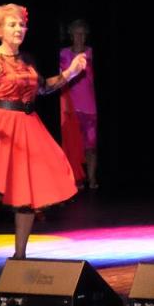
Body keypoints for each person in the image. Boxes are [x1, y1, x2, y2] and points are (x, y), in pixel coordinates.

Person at [0, 3, 86, 280]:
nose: (19, 29)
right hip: (0, 127)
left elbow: (43, 88)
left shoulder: (27, 60)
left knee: (26, 196)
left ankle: (20, 256)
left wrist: (70, 72)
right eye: (12, 24)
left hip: (28, 127)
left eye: (21, 24)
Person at [59, 19, 99, 189]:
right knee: (73, 147)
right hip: (71, 108)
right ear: (70, 35)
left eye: (82, 34)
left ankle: (92, 179)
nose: (79, 37)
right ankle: (76, 180)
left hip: (90, 108)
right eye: (76, 33)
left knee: (91, 147)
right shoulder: (63, 54)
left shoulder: (91, 53)